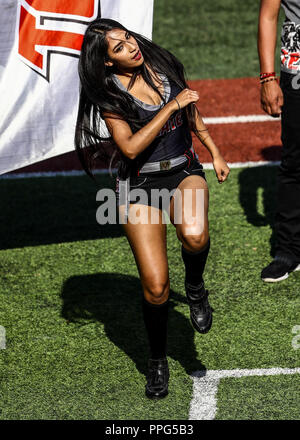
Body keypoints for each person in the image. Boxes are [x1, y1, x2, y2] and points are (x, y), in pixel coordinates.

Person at [75, 18, 229, 399]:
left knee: (194, 236)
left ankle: (195, 285)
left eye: (127, 37)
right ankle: (157, 360)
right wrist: (170, 106)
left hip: (182, 169)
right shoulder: (109, 95)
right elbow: (128, 148)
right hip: (138, 184)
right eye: (119, 47)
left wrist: (214, 150)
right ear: (108, 62)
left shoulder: (161, 64)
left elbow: (190, 112)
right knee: (157, 287)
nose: (130, 46)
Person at [258, 0, 300, 282]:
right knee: (295, 161)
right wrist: (267, 78)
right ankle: (289, 250)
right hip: (297, 71)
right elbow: (268, 15)